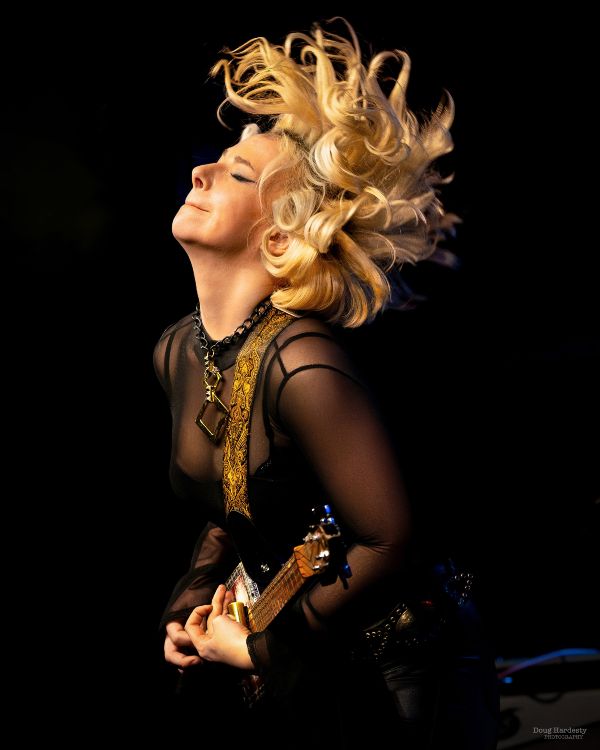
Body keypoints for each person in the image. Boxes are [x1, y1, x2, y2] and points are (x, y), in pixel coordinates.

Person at [153, 20, 499, 749]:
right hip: (310, 660)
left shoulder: (304, 365)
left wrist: (263, 650)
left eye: (237, 174)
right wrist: (191, 600)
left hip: (400, 668)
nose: (200, 172)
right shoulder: (178, 350)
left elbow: (389, 541)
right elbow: (237, 502)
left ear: (279, 237)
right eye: (217, 161)